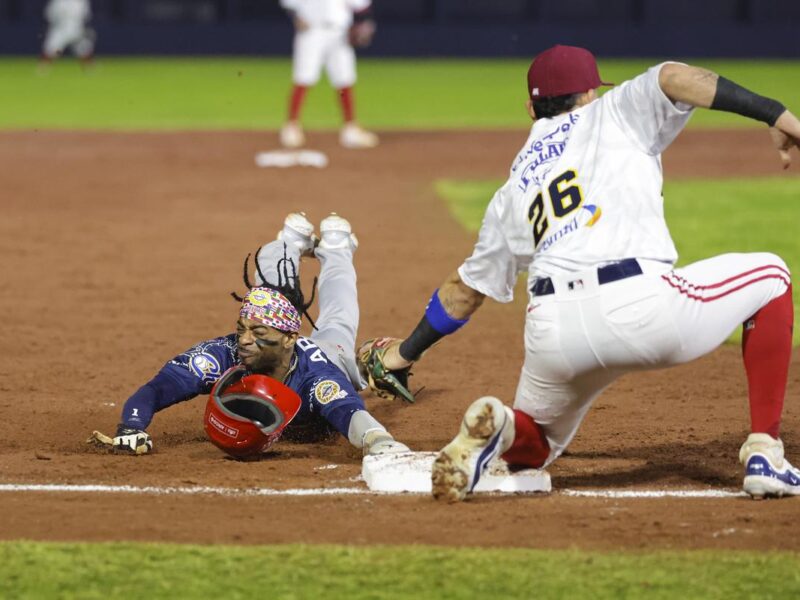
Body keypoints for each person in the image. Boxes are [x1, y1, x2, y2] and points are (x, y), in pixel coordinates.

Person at [368, 45, 800, 501]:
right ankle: (765, 453)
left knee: (535, 447)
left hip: (553, 330)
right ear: (590, 94)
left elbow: (464, 291)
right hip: (642, 309)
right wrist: (776, 115)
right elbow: (674, 75)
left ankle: (503, 425)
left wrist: (404, 353)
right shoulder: (613, 112)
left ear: (531, 109)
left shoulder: (512, 189)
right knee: (772, 276)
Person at [93, 213, 409, 458]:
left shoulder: (319, 374)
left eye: (258, 332)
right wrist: (131, 426)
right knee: (271, 282)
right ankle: (290, 243)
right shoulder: (224, 354)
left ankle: (337, 250)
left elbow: (352, 416)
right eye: (242, 328)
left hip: (329, 351)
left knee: (339, 318)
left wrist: (379, 441)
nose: (244, 339)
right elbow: (159, 388)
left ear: (288, 337)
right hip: (284, 333)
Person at [279, 0, 378, 149]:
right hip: (311, 31)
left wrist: (364, 23)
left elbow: (361, 7)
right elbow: (289, 3)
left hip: (340, 32)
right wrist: (294, 17)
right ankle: (291, 126)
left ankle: (350, 129)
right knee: (303, 77)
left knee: (344, 79)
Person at [40, 0, 95, 65]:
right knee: (51, 49)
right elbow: (49, 15)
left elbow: (86, 16)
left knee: (85, 49)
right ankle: (43, 67)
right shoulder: (57, 2)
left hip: (76, 30)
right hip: (60, 30)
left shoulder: (81, 2)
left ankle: (89, 68)